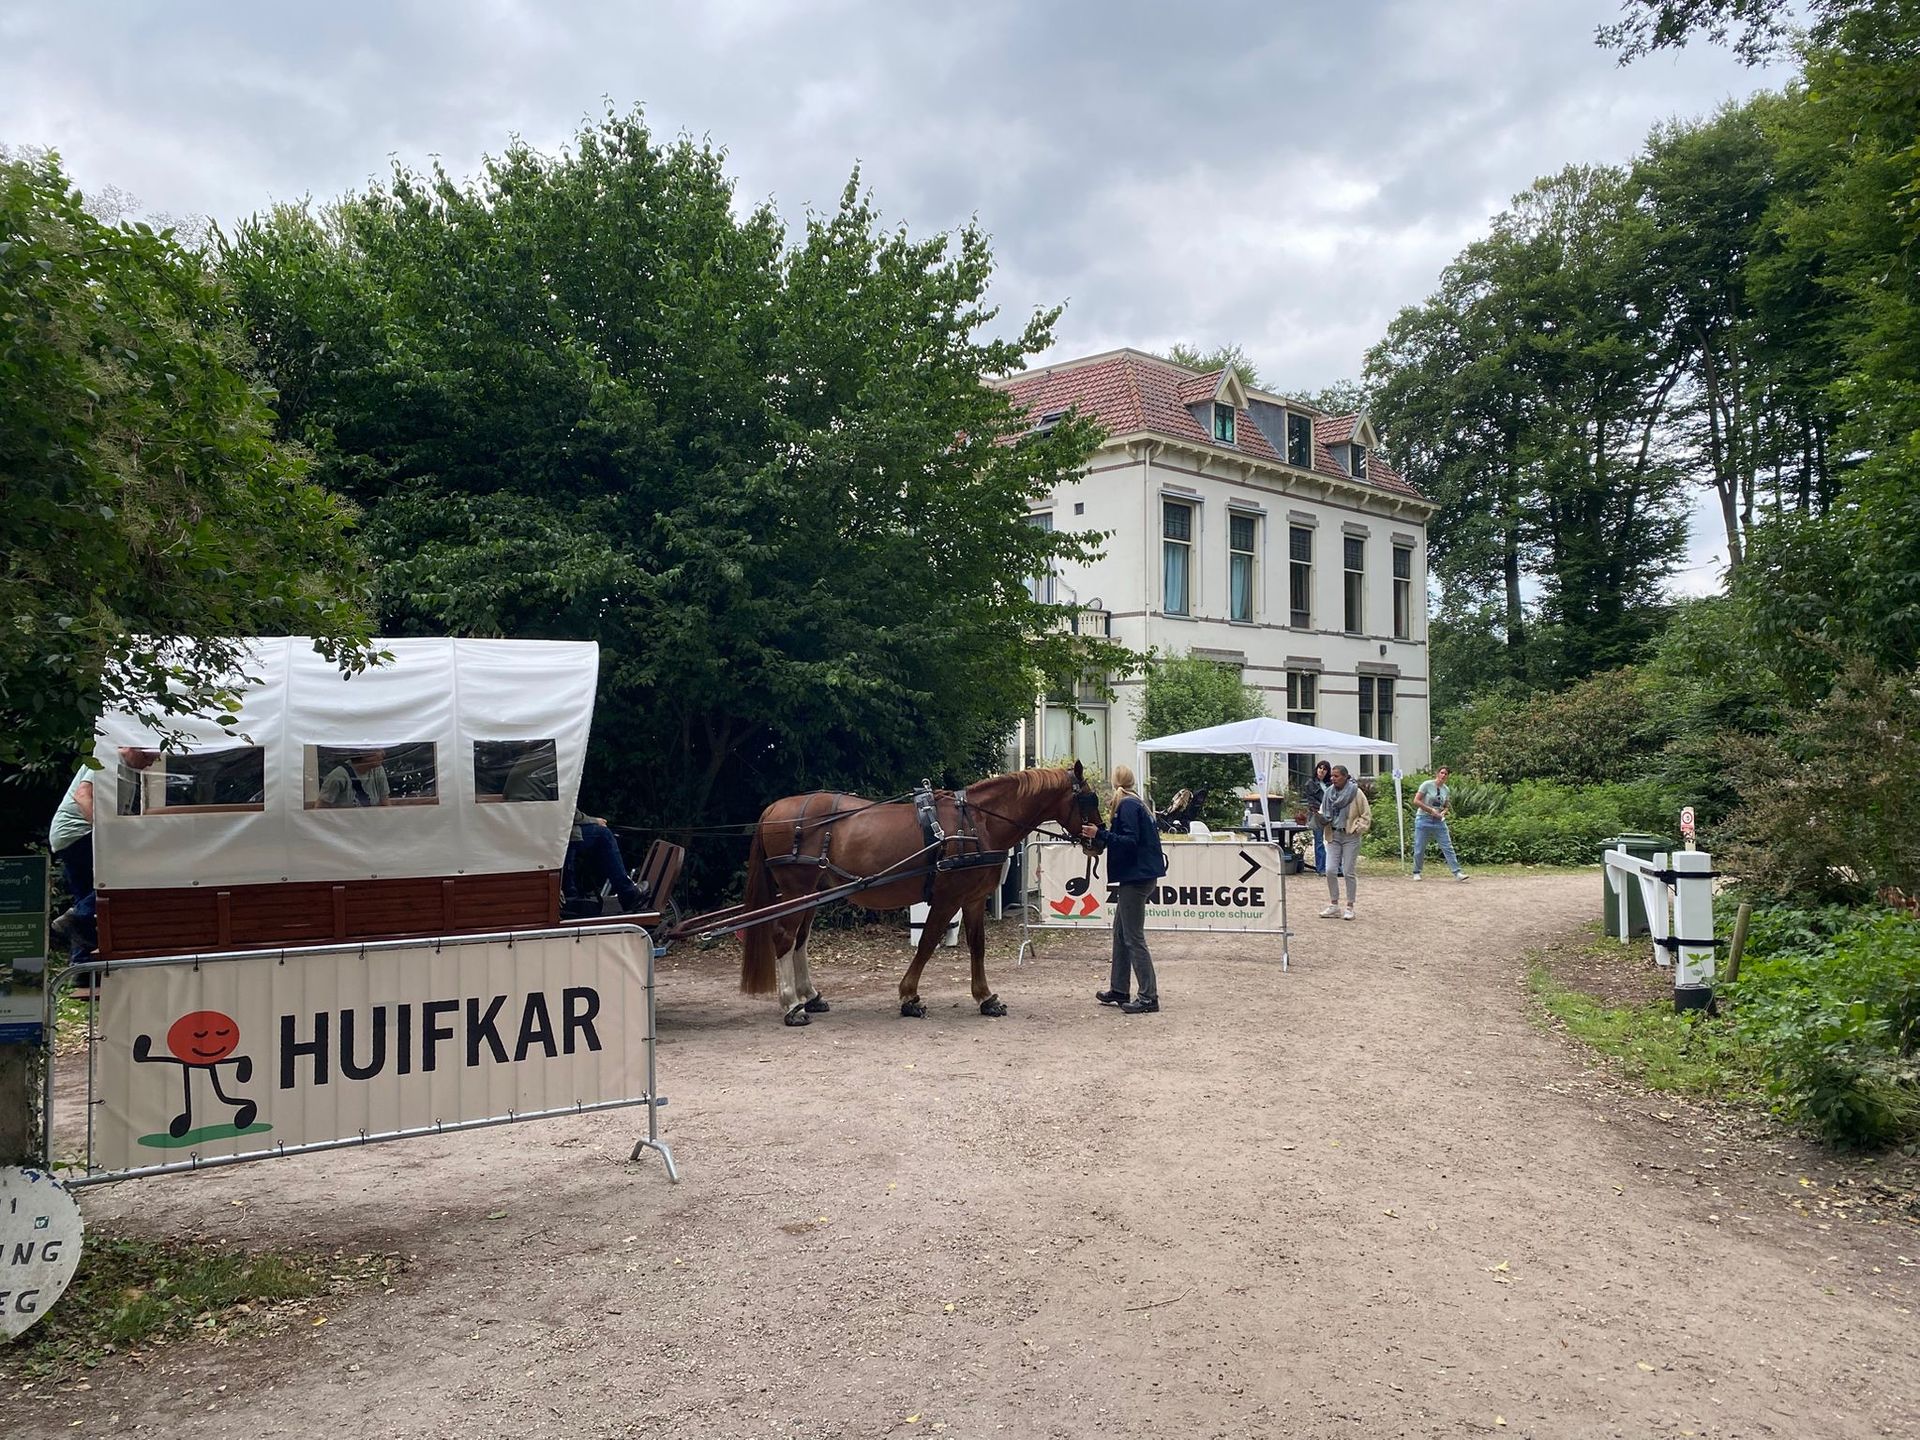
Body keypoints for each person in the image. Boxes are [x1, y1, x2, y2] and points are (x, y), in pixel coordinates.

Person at [48, 747, 159, 964]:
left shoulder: (128, 770)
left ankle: (82, 967)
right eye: (148, 757)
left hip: (69, 835)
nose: (149, 764)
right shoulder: (107, 758)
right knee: (127, 874)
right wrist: (103, 833)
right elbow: (82, 796)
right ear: (133, 748)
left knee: (86, 900)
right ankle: (77, 916)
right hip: (78, 832)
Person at [1084, 764, 1168, 1014]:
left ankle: (1148, 996)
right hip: (1139, 875)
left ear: (1114, 782)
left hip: (1135, 878)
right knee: (1121, 933)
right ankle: (1119, 988)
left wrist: (1100, 835)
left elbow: (1130, 841)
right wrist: (1103, 834)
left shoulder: (1127, 805)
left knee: (1133, 937)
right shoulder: (1137, 803)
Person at [1316, 764, 1370, 921]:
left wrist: (1358, 828)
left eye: (1336, 776)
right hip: (1333, 835)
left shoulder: (1356, 793)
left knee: (1348, 871)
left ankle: (1350, 906)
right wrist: (1319, 818)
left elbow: (1366, 814)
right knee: (1330, 870)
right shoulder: (1328, 793)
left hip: (1350, 836)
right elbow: (1323, 811)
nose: (1333, 778)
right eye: (1332, 776)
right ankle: (1334, 905)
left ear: (1345, 777)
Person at [1412, 765, 1468, 882]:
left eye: (1446, 774)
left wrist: (1443, 812)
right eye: (1442, 773)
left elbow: (1446, 805)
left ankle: (1457, 872)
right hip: (1423, 818)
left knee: (1447, 846)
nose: (1443, 775)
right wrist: (1430, 810)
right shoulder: (1427, 785)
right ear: (1437, 774)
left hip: (1438, 821)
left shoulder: (1446, 789)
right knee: (1420, 847)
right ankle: (1417, 871)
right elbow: (1416, 801)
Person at [319, 748, 391, 808]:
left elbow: (385, 802)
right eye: (377, 750)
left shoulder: (378, 771)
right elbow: (321, 808)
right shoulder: (338, 776)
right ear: (362, 753)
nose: (383, 753)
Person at [1301, 760, 1333, 874]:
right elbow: (1310, 800)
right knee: (1319, 841)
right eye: (1320, 768)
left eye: (1325, 769)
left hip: (1330, 814)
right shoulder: (1310, 783)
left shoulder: (1330, 784)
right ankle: (1321, 868)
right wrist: (1320, 809)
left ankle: (1333, 866)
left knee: (1332, 840)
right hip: (1317, 814)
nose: (1322, 771)